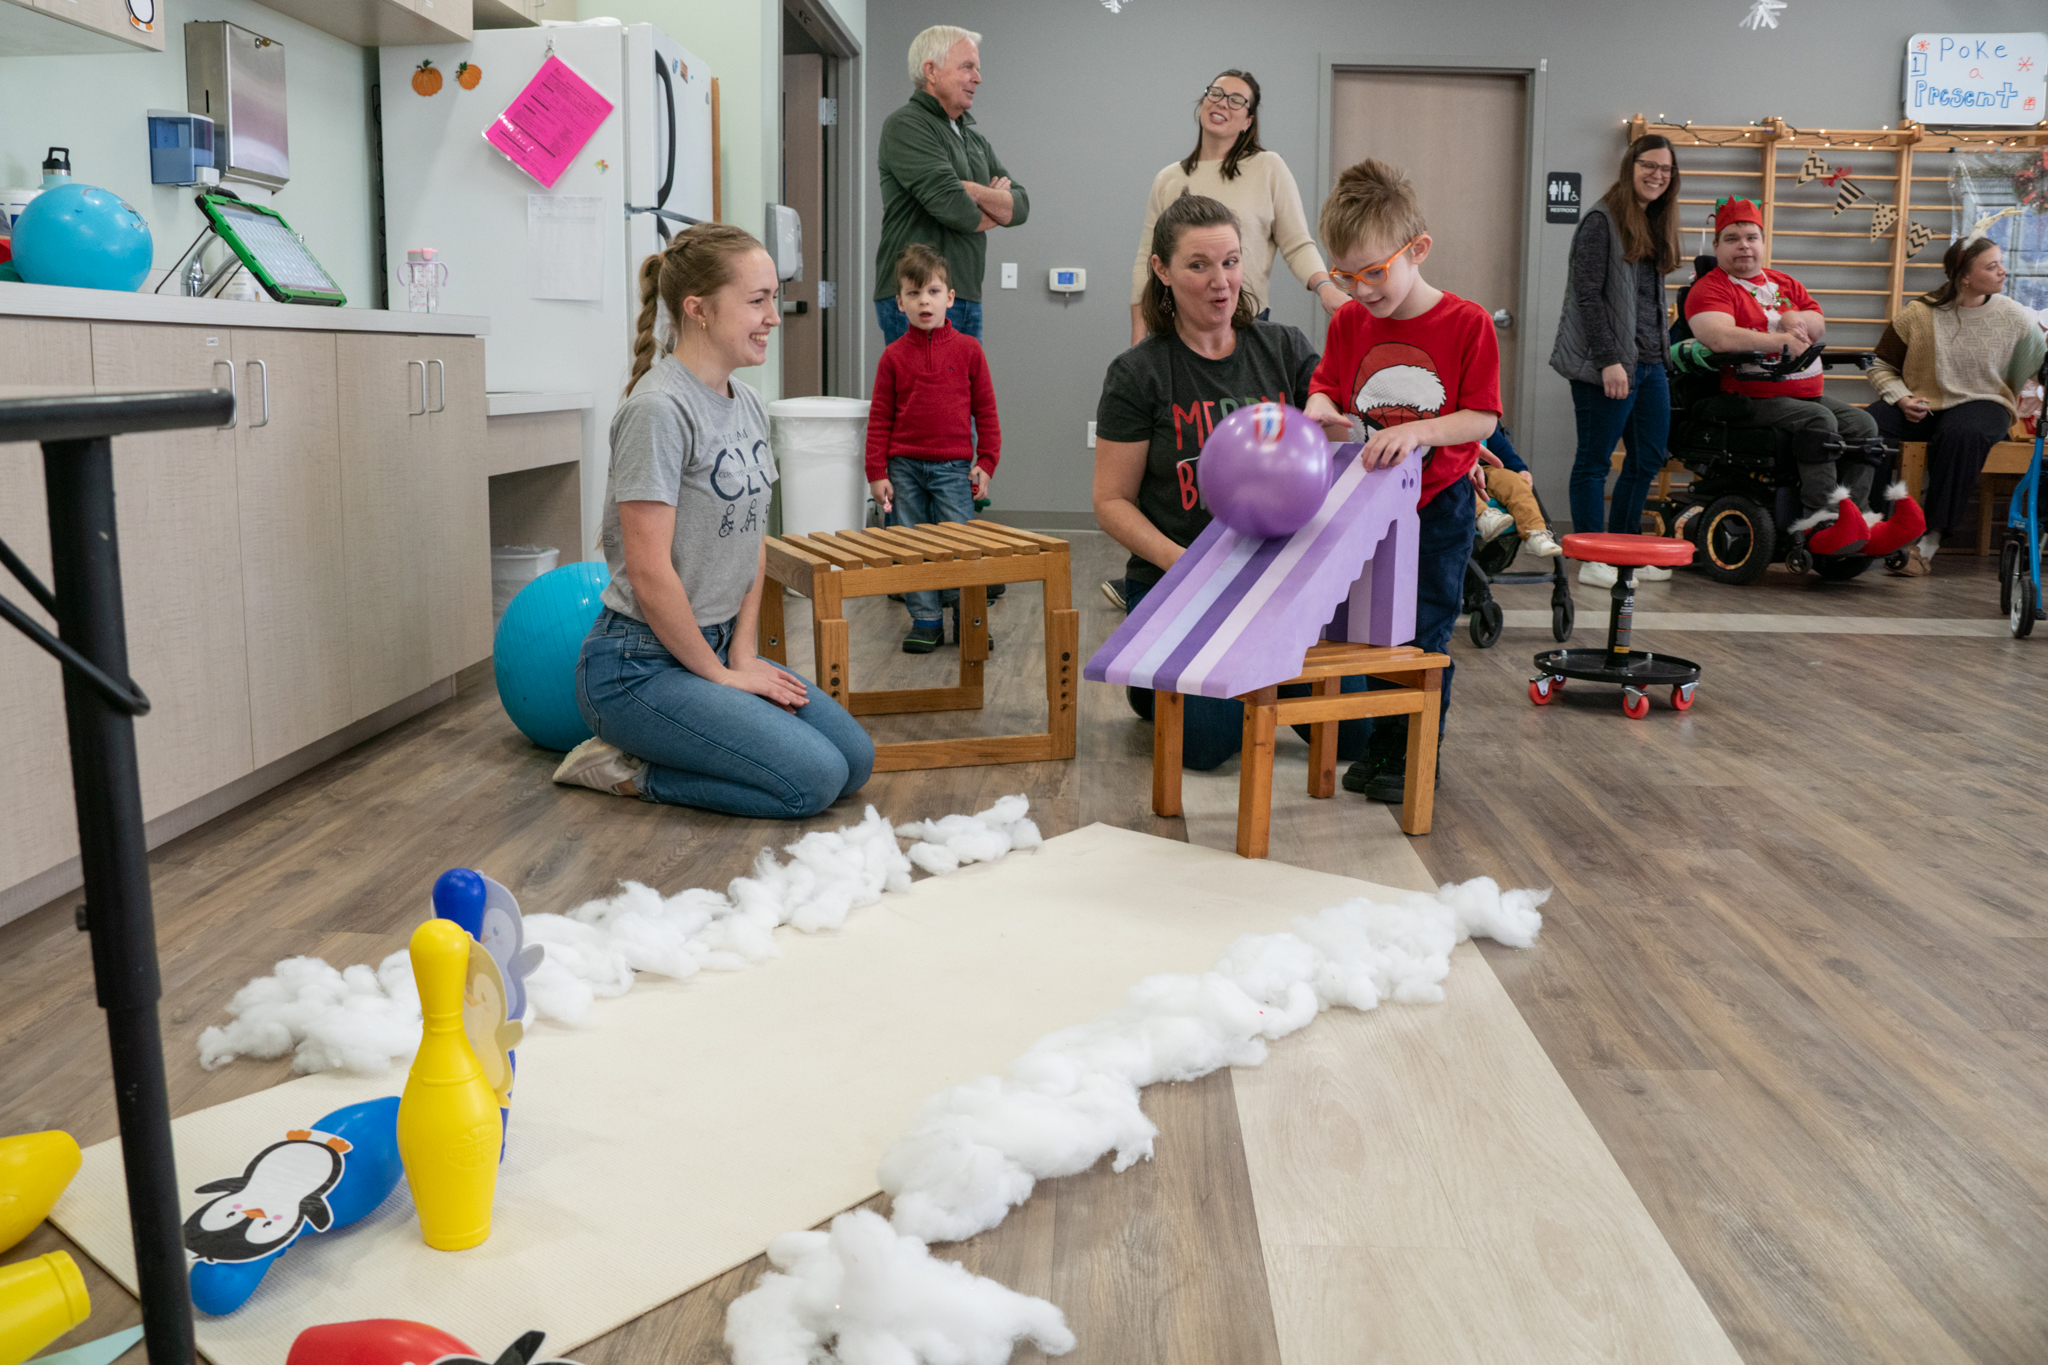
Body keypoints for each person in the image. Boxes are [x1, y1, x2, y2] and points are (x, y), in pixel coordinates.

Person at [555, 224, 875, 818]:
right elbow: (648, 571)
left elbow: (752, 540)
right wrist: (719, 677)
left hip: (718, 648)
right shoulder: (658, 410)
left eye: (774, 298)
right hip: (638, 669)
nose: (773, 317)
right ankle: (627, 770)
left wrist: (743, 656)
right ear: (697, 310)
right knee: (813, 782)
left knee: (855, 762)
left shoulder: (746, 402)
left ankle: (700, 721)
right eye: (757, 300)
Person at [1092, 193, 1372, 771]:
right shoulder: (1138, 373)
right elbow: (1111, 500)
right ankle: (1161, 684)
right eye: (1198, 265)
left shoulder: (1284, 348)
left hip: (1276, 582)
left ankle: (1237, 671)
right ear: (1162, 270)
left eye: (1231, 262)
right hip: (1179, 584)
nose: (1220, 282)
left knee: (1355, 736)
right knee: (1205, 745)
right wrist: (1186, 565)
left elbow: (1342, 435)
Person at [1301, 158, 1501, 804]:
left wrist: (1419, 433)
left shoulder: (1467, 323)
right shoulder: (1347, 323)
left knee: (1424, 632)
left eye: (1374, 272)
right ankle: (1384, 742)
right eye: (1345, 276)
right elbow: (1327, 388)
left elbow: (1482, 417)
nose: (1361, 290)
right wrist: (1319, 410)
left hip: (1438, 509)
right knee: (1372, 630)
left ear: (1418, 250)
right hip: (1368, 508)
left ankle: (1412, 753)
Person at [1682, 197, 1907, 560]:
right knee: (1819, 420)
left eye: (1752, 238)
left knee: (1864, 423)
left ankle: (1858, 518)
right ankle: (1822, 521)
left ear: (1763, 243)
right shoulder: (1711, 288)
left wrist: (1793, 319)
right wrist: (1780, 341)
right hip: (1749, 397)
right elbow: (1719, 337)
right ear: (1717, 246)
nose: (1744, 246)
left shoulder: (1782, 282)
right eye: (1733, 239)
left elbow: (1818, 322)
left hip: (1802, 395)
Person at [1866, 236, 2044, 576]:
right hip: (1921, 403)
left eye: (2000, 263)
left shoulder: (2013, 316)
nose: (2002, 271)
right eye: (1992, 266)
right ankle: (1869, 527)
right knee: (1867, 426)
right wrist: (1902, 398)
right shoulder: (1919, 313)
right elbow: (1880, 366)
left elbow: (2042, 367)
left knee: (1962, 433)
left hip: (1984, 403)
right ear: (1965, 277)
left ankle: (1927, 543)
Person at [1126, 71, 1344, 349]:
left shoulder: (1268, 167)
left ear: (1248, 121)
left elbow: (1297, 244)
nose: (1222, 103)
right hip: (1178, 326)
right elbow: (1147, 259)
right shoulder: (1168, 179)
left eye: (1236, 100)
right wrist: (1139, 333)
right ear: (1203, 102)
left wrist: (1325, 288)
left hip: (1247, 321)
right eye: (1215, 93)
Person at [1550, 133, 1681, 588]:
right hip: (1607, 364)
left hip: (1650, 363)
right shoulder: (1600, 220)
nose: (1657, 175)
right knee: (1594, 461)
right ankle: (1592, 557)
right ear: (1631, 166)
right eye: (1650, 166)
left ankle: (1626, 552)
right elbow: (1587, 295)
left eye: (1665, 170)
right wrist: (1609, 361)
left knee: (1647, 460)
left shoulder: (1654, 220)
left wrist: (1658, 359)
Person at [866, 244, 1002, 653]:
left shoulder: (969, 350)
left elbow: (986, 411)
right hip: (903, 468)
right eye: (914, 293)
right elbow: (879, 418)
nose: (924, 301)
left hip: (953, 469)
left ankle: (967, 618)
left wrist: (986, 461)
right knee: (910, 545)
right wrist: (876, 472)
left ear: (950, 298)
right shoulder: (892, 357)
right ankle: (925, 621)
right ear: (899, 303)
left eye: (933, 291)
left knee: (959, 546)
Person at [874, 25, 1029, 345]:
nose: (978, 78)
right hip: (917, 296)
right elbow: (957, 210)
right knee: (923, 383)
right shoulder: (906, 125)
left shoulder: (975, 140)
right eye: (967, 66)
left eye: (977, 69)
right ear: (931, 70)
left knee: (966, 382)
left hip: (965, 295)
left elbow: (1021, 207)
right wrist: (994, 203)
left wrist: (971, 190)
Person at [1475, 426, 1563, 557]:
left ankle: (1535, 533)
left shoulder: (1483, 422)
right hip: (1453, 470)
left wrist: (1519, 468)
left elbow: (1501, 448)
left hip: (1484, 467)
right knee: (1458, 485)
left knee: (1516, 482)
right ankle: (1483, 516)